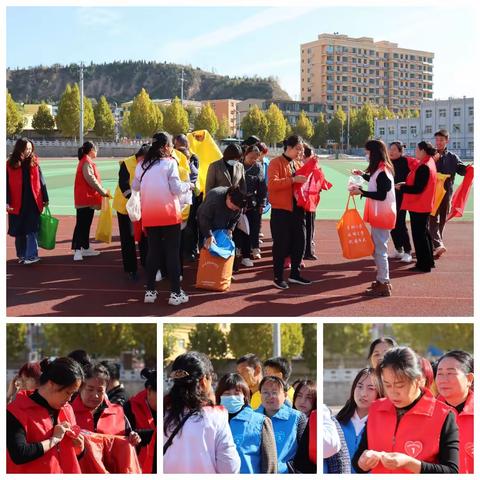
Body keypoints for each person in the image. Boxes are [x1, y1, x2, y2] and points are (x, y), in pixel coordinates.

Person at [353, 347, 459, 474]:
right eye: (387, 384)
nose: (393, 392)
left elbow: (452, 471)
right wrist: (362, 462)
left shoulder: (444, 415)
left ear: (418, 380)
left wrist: (411, 463)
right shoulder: (376, 409)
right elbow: (358, 462)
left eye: (399, 385)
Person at [131, 132, 194, 305]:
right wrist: (189, 185)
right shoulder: (170, 163)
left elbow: (135, 186)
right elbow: (175, 188)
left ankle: (150, 291)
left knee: (153, 252)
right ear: (166, 147)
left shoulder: (141, 165)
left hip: (149, 215)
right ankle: (175, 293)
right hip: (169, 214)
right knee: (172, 253)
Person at [163, 352, 241, 473]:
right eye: (211, 378)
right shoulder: (216, 416)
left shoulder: (161, 412)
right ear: (204, 380)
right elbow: (229, 467)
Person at [7, 357, 85, 473]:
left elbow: (71, 456)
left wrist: (80, 448)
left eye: (73, 394)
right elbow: (19, 454)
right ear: (51, 384)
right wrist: (54, 439)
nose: (69, 399)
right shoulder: (16, 410)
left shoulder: (67, 409)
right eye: (67, 392)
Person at [351, 140, 396, 297]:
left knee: (380, 250)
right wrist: (362, 175)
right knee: (377, 249)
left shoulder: (383, 170)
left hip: (383, 215)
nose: (366, 155)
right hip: (380, 214)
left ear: (374, 153)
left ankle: (384, 282)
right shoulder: (380, 169)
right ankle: (382, 280)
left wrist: (361, 192)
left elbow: (381, 194)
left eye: (368, 152)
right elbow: (376, 182)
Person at [268, 135, 310, 289]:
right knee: (281, 245)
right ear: (289, 148)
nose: (301, 152)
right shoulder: (275, 162)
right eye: (298, 148)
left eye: (302, 149)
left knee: (300, 242)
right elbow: (272, 184)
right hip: (281, 211)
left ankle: (295, 274)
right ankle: (278, 277)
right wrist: (293, 180)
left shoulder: (298, 164)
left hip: (298, 210)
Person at [215, 373, 277, 473]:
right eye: (227, 393)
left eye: (236, 393)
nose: (232, 397)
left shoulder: (261, 421)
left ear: (245, 396)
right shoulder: (211, 422)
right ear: (219, 396)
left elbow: (270, 465)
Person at [71, 363, 140, 445]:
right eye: (90, 389)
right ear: (80, 388)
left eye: (100, 391)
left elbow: (128, 437)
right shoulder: (69, 413)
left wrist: (133, 438)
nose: (95, 395)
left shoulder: (117, 412)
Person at [6, 138, 49, 265]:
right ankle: (22, 255)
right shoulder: (10, 164)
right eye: (26, 149)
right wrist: (6, 201)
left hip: (33, 202)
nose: (29, 151)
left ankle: (31, 255)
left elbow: (42, 181)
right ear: (19, 148)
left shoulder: (34, 162)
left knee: (32, 229)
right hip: (16, 202)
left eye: (30, 148)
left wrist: (45, 198)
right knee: (19, 230)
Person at [397, 141, 437, 273]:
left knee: (419, 236)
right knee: (424, 234)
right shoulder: (428, 162)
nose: (415, 152)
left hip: (419, 205)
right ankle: (428, 262)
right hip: (422, 204)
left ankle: (423, 264)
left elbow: (418, 188)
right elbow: (418, 184)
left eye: (417, 149)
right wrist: (405, 184)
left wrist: (402, 187)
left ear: (423, 151)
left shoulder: (425, 166)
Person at [112, 143, 150, 281]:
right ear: (140, 156)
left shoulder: (147, 165)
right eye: (146, 160)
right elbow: (123, 185)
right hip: (125, 207)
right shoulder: (126, 164)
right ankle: (131, 269)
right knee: (127, 238)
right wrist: (133, 199)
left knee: (144, 237)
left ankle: (146, 264)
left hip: (142, 206)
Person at [429, 129, 468, 259]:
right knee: (432, 218)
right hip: (432, 193)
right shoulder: (431, 155)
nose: (438, 142)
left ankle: (437, 243)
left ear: (447, 141)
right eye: (437, 140)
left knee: (443, 219)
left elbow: (462, 171)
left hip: (447, 194)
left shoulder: (452, 157)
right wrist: (432, 160)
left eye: (441, 140)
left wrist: (467, 168)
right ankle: (438, 243)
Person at [256, 375, 307, 473]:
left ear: (285, 395)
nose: (270, 396)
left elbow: (304, 454)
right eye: (265, 392)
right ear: (260, 395)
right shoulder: (252, 418)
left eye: (275, 392)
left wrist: (290, 469)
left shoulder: (297, 418)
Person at [435, 350, 474, 473]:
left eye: (450, 373)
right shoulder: (427, 413)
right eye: (440, 373)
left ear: (469, 379)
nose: (443, 379)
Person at [336, 368, 380, 472]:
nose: (363, 393)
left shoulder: (383, 425)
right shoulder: (337, 422)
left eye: (371, 388)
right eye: (359, 386)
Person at [72, 141, 110, 261]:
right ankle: (78, 250)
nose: (97, 151)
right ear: (91, 150)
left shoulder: (86, 161)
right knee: (81, 225)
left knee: (85, 225)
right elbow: (91, 180)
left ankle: (85, 247)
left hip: (88, 199)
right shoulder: (86, 162)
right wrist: (103, 191)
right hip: (85, 199)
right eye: (96, 149)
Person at [236, 145, 267, 266]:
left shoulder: (258, 167)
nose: (253, 160)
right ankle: (238, 248)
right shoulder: (238, 166)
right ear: (245, 154)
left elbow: (262, 187)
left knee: (252, 228)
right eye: (251, 157)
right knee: (238, 228)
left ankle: (252, 250)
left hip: (252, 202)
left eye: (256, 158)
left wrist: (262, 203)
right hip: (238, 201)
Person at [174, 134, 202, 262]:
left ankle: (190, 250)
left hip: (190, 198)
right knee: (179, 225)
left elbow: (193, 176)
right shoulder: (173, 159)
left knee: (190, 225)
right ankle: (181, 250)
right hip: (177, 197)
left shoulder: (193, 158)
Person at [124, 368, 157, 474]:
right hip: (138, 468)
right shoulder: (130, 407)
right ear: (149, 390)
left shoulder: (169, 407)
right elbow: (125, 437)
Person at [196, 185, 247, 250]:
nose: (234, 210)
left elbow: (235, 218)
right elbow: (204, 218)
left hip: (222, 224)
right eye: (233, 207)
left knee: (220, 247)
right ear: (228, 197)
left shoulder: (239, 204)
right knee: (206, 247)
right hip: (206, 223)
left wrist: (230, 228)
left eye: (236, 209)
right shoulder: (214, 197)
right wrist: (209, 235)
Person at [388, 141, 415, 262]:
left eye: (394, 149)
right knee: (391, 223)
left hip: (403, 196)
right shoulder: (387, 163)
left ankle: (408, 251)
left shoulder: (406, 162)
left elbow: (416, 175)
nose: (391, 151)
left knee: (400, 223)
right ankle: (398, 249)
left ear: (400, 151)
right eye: (390, 149)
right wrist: (363, 175)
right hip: (389, 196)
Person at [301, 145, 318, 260]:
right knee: (306, 227)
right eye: (311, 156)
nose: (313, 158)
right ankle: (306, 251)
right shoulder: (302, 168)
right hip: (303, 203)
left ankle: (308, 248)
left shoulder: (313, 167)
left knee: (310, 226)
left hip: (311, 202)